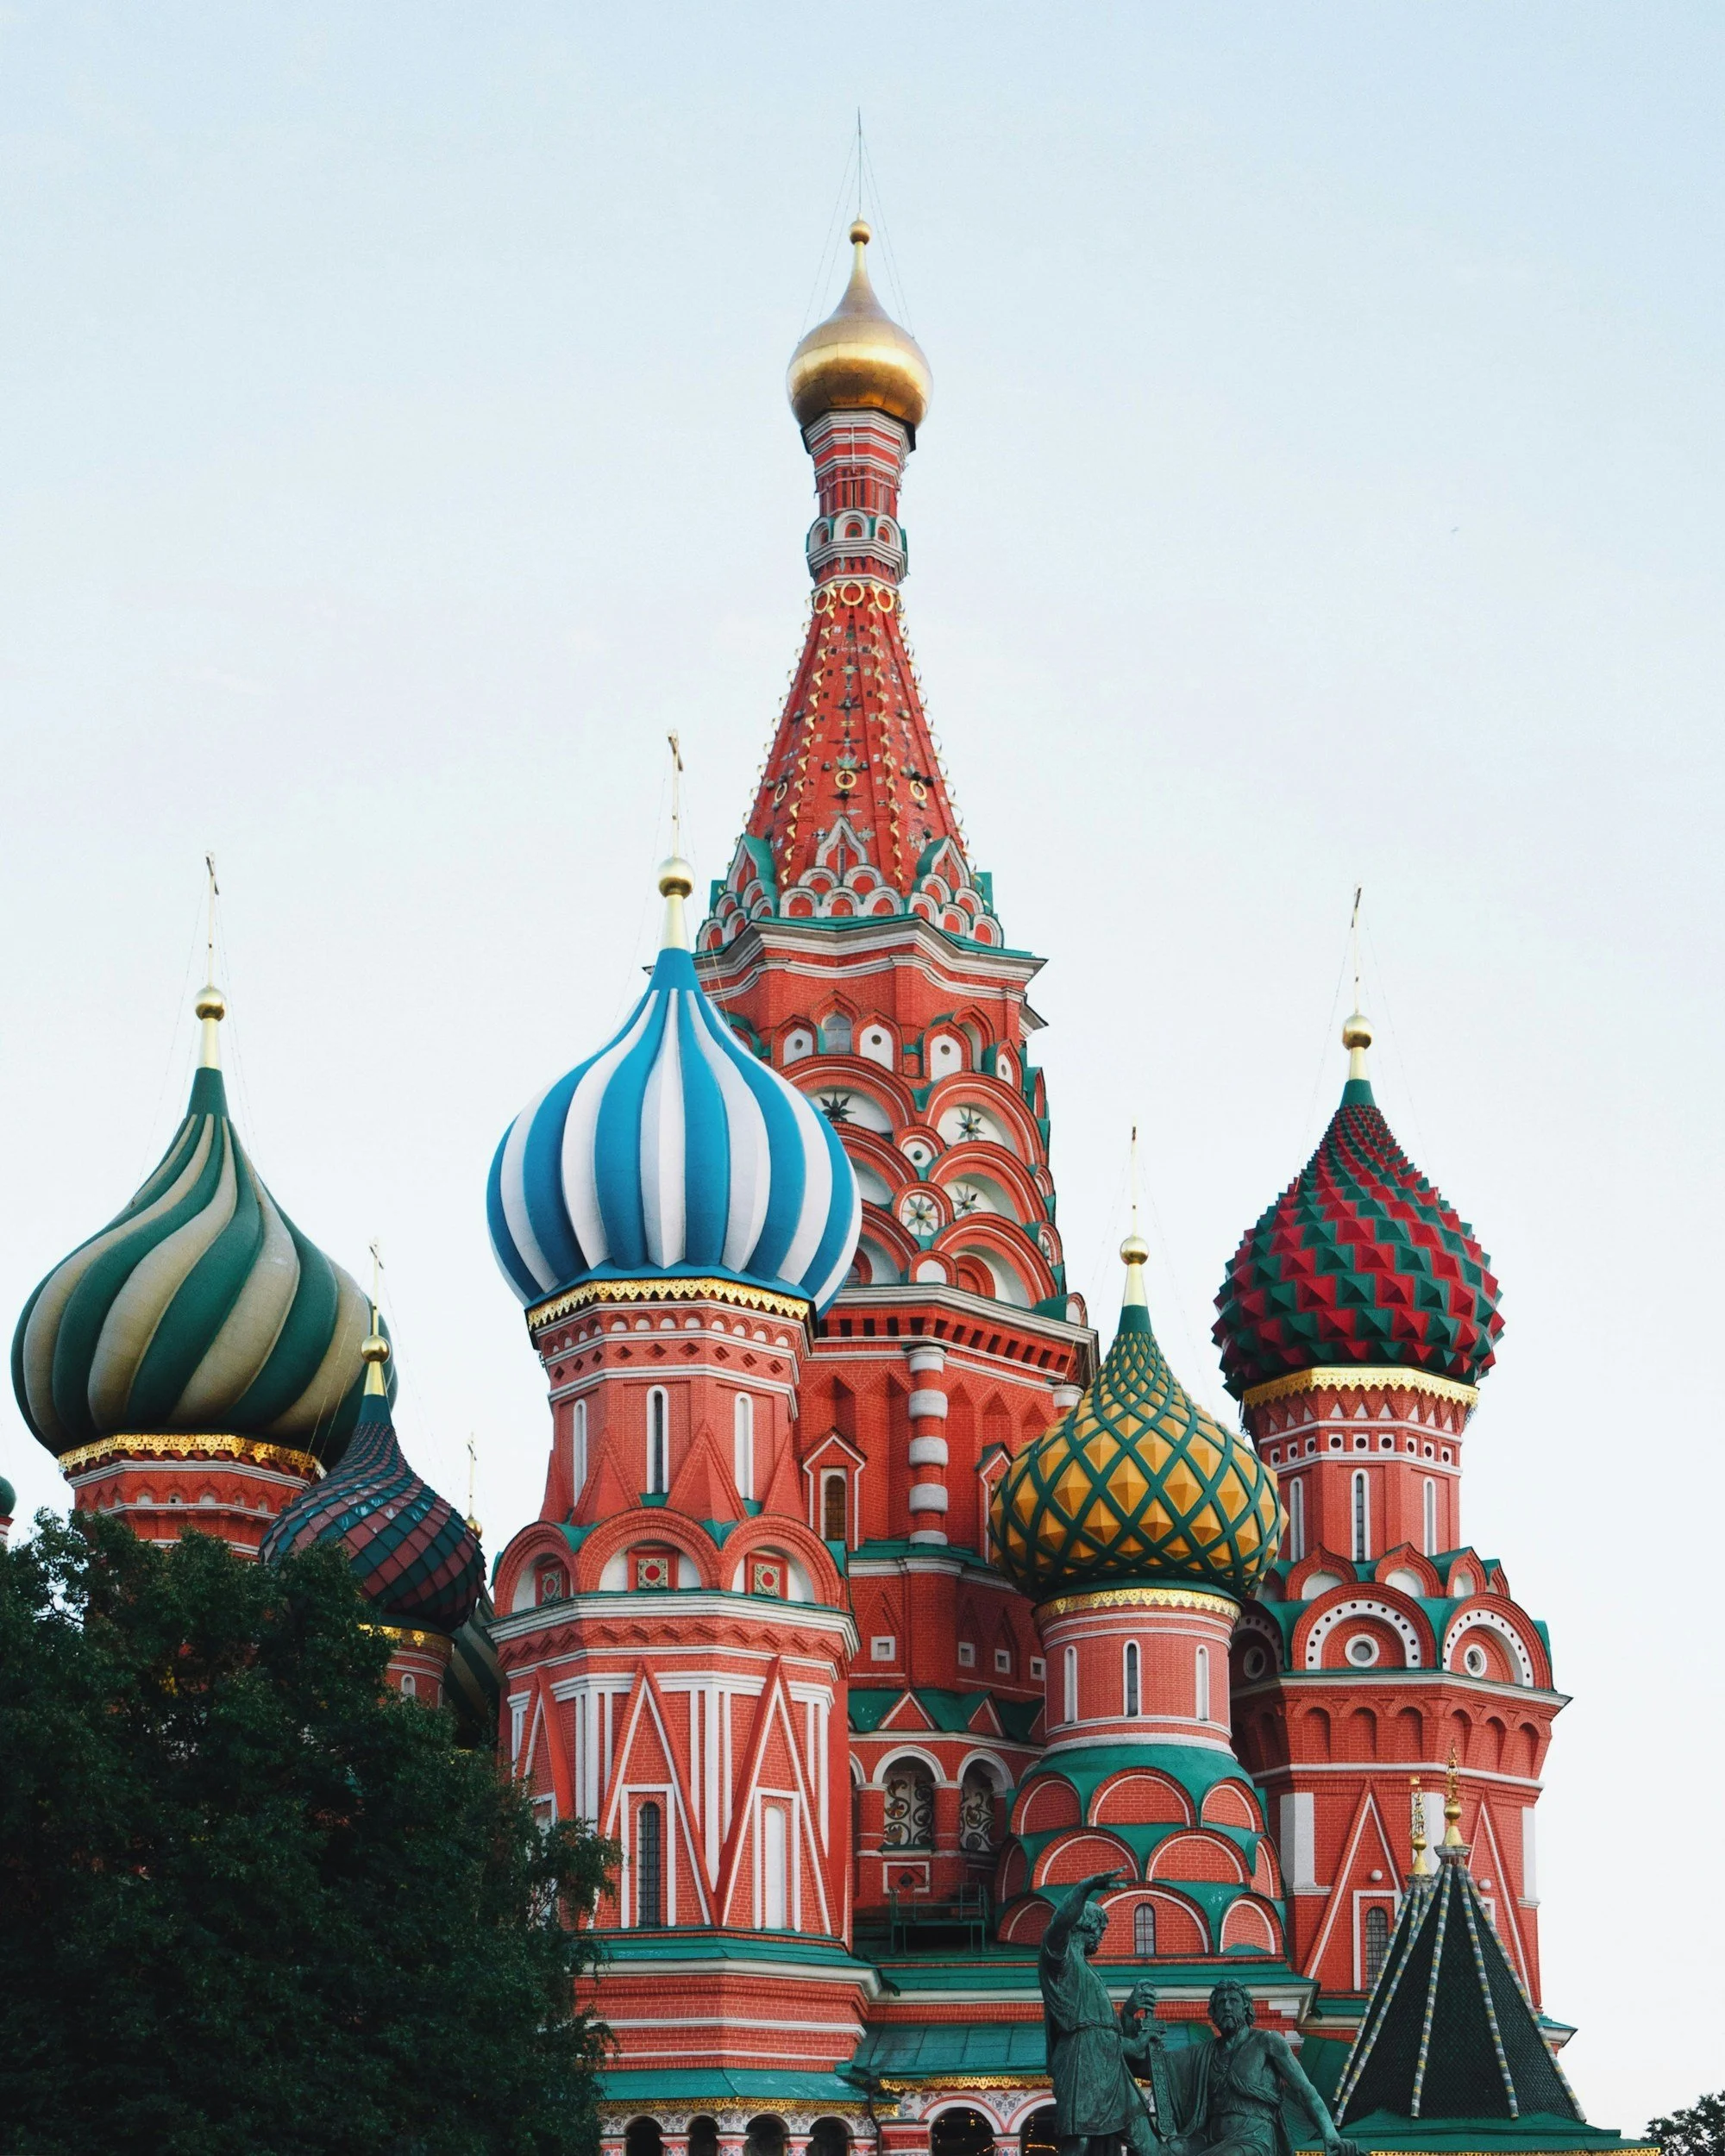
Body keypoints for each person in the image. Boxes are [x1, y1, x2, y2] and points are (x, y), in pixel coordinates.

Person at [1120, 1979, 1358, 2156]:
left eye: (1233, 2001)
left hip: (1254, 2139)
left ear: (1247, 2008)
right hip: (1210, 2138)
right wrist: (1129, 2014)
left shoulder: (1267, 2042)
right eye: (1220, 2003)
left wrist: (1330, 2134)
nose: (1226, 2007)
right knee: (1163, 2152)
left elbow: (1306, 2093)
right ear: (1212, 2013)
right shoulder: (1203, 2054)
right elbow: (1149, 2069)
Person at [1038, 1871, 1157, 2156]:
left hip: (1109, 2068)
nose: (1101, 1938)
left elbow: (1106, 2035)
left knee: (1145, 2139)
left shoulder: (1090, 1973)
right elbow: (1058, 1926)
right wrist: (1084, 1888)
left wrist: (1128, 2011)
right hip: (1081, 2063)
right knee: (1079, 2140)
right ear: (1084, 1928)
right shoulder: (1060, 1961)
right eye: (1099, 1931)